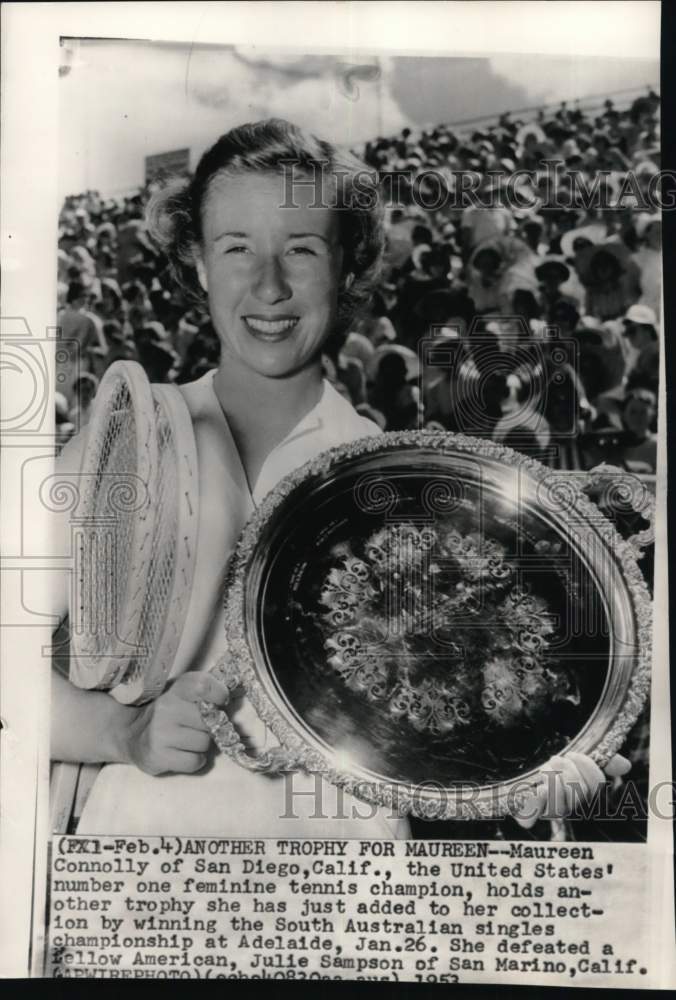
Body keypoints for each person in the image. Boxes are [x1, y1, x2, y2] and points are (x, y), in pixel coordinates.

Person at [52, 119, 626, 839]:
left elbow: (470, 708)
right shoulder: (120, 447)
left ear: (349, 266)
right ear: (197, 263)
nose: (268, 284)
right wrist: (121, 733)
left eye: (301, 249)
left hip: (346, 890)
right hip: (142, 882)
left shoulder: (409, 482)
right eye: (236, 248)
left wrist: (541, 756)